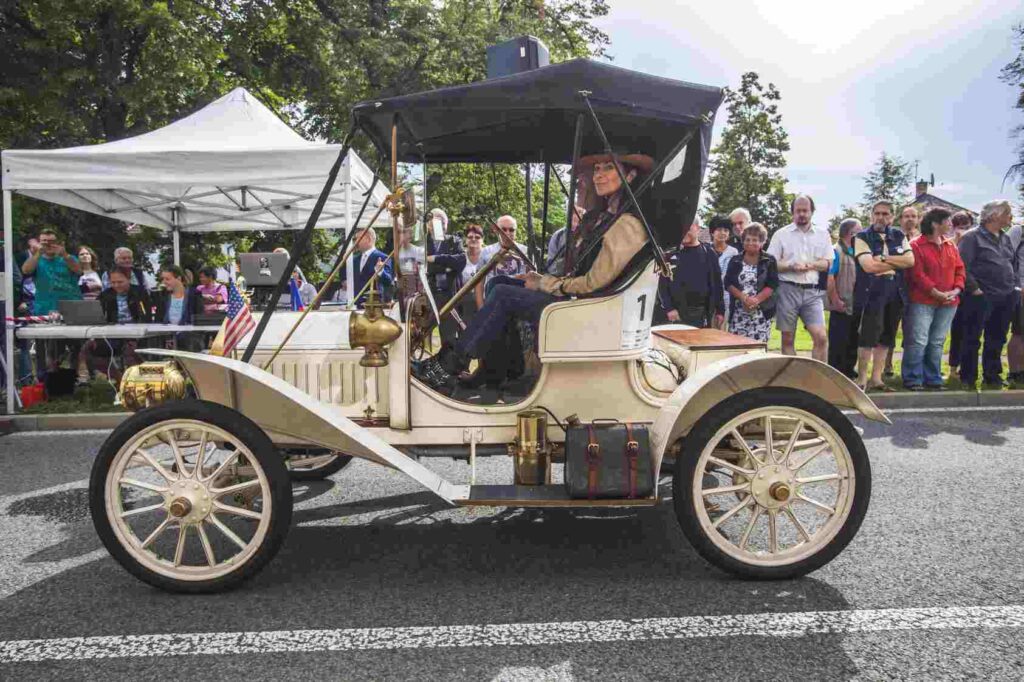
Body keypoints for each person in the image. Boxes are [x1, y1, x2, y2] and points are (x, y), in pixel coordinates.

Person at [414, 151, 652, 393]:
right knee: (498, 283)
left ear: (630, 176)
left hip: (589, 308)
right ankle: (495, 371)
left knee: (505, 294)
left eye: (608, 168)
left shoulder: (627, 225)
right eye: (597, 169)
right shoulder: (605, 218)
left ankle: (450, 366)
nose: (598, 176)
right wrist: (538, 278)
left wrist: (544, 284)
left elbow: (593, 284)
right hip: (576, 299)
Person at [852, 201, 916, 392]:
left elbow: (910, 261)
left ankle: (877, 379)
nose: (881, 217)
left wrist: (883, 259)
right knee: (868, 337)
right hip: (872, 293)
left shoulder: (898, 235)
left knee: (886, 338)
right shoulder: (862, 237)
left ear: (891, 217)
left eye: (885, 214)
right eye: (877, 213)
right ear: (871, 215)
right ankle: (862, 379)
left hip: (896, 293)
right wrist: (897, 263)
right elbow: (868, 266)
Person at [957, 200, 1018, 390]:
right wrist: (975, 288)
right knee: (972, 337)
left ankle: (992, 375)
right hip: (980, 295)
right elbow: (962, 266)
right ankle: (968, 377)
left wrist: (1014, 285)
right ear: (995, 215)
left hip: (1006, 295)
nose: (1010, 218)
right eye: (1008, 213)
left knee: (997, 337)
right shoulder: (972, 237)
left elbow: (1011, 262)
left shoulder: (1004, 237)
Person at [901, 208, 964, 391]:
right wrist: (935, 292)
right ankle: (913, 379)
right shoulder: (916, 245)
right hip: (923, 301)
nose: (951, 225)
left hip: (949, 302)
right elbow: (917, 274)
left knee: (937, 341)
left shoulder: (950, 245)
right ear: (936, 223)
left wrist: (957, 289)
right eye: (948, 221)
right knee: (918, 340)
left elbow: (960, 269)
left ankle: (933, 378)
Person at [766, 195, 833, 361]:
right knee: (788, 339)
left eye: (805, 211)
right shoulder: (781, 234)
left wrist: (811, 265)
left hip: (812, 292)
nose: (802, 214)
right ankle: (792, 379)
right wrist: (791, 266)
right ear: (792, 213)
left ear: (812, 212)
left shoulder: (823, 234)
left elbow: (827, 263)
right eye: (798, 211)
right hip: (787, 289)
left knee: (821, 338)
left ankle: (816, 381)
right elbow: (770, 263)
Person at [21, 229, 82, 375]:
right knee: (46, 348)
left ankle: (76, 377)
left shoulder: (69, 257)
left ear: (59, 243)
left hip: (71, 308)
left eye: (52, 241)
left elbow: (78, 270)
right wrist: (37, 253)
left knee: (76, 346)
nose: (48, 245)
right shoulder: (37, 259)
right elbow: (26, 270)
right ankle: (46, 379)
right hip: (45, 309)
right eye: (44, 242)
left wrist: (65, 255)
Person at [78, 269, 151, 384]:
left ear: (128, 280)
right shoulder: (106, 294)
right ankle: (119, 378)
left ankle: (142, 381)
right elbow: (96, 314)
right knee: (87, 350)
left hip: (136, 333)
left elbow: (146, 316)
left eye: (120, 282)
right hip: (112, 333)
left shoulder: (140, 293)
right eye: (113, 282)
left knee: (130, 351)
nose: (116, 285)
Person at [657, 221, 725, 328]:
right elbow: (662, 285)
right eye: (681, 230)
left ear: (697, 228)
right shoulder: (670, 255)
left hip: (702, 315)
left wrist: (720, 311)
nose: (684, 233)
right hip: (676, 316)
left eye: (688, 228)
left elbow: (718, 284)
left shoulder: (709, 253)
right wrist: (669, 308)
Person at [723, 223, 778, 342]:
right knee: (736, 347)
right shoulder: (735, 260)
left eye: (755, 240)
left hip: (761, 313)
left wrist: (756, 300)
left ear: (762, 242)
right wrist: (743, 298)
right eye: (747, 239)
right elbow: (728, 283)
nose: (750, 243)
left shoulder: (769, 260)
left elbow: (772, 284)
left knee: (757, 350)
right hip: (739, 312)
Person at [825, 218, 862, 379]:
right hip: (841, 303)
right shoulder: (835, 251)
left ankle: (849, 369)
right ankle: (836, 372)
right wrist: (835, 300)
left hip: (856, 303)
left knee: (853, 338)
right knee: (838, 340)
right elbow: (830, 277)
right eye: (859, 231)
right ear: (850, 233)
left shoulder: (858, 251)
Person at [425, 208, 467, 344]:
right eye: (437, 221)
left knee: (448, 340)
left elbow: (461, 261)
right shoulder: (422, 242)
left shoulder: (454, 241)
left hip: (449, 297)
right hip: (428, 297)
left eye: (444, 221)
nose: (441, 224)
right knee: (419, 338)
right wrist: (447, 265)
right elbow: (421, 265)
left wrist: (435, 259)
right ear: (429, 224)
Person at [477, 215, 528, 307]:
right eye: (503, 230)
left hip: (518, 303)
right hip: (493, 302)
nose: (507, 233)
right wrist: (481, 308)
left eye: (511, 230)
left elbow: (532, 279)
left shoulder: (525, 251)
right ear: (496, 230)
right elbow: (479, 282)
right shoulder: (486, 251)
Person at [947, 211, 975, 379]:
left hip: (969, 291)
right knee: (956, 331)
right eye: (959, 226)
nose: (962, 230)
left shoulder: (973, 238)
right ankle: (952, 369)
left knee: (969, 332)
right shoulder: (950, 242)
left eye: (966, 226)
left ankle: (964, 368)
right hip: (954, 291)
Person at [154, 265, 206, 351]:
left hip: (190, 342)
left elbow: (200, 321)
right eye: (163, 279)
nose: (164, 282)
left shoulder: (194, 296)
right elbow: (158, 321)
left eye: (167, 279)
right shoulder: (163, 297)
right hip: (167, 341)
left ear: (178, 278)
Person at [342, 228, 393, 306]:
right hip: (357, 305)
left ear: (368, 239)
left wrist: (381, 272)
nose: (356, 242)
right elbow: (344, 278)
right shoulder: (355, 260)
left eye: (359, 238)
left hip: (374, 306)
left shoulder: (382, 257)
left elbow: (388, 281)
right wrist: (344, 262)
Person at [709, 215, 738, 329]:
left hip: (726, 299)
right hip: (709, 298)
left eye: (726, 230)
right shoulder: (705, 249)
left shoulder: (733, 252)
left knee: (722, 331)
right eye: (719, 230)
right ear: (712, 232)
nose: (722, 233)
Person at [459, 224, 486, 325]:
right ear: (466, 240)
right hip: (465, 301)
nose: (473, 239)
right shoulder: (460, 258)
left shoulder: (488, 257)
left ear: (482, 240)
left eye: (477, 237)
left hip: (486, 297)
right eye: (470, 237)